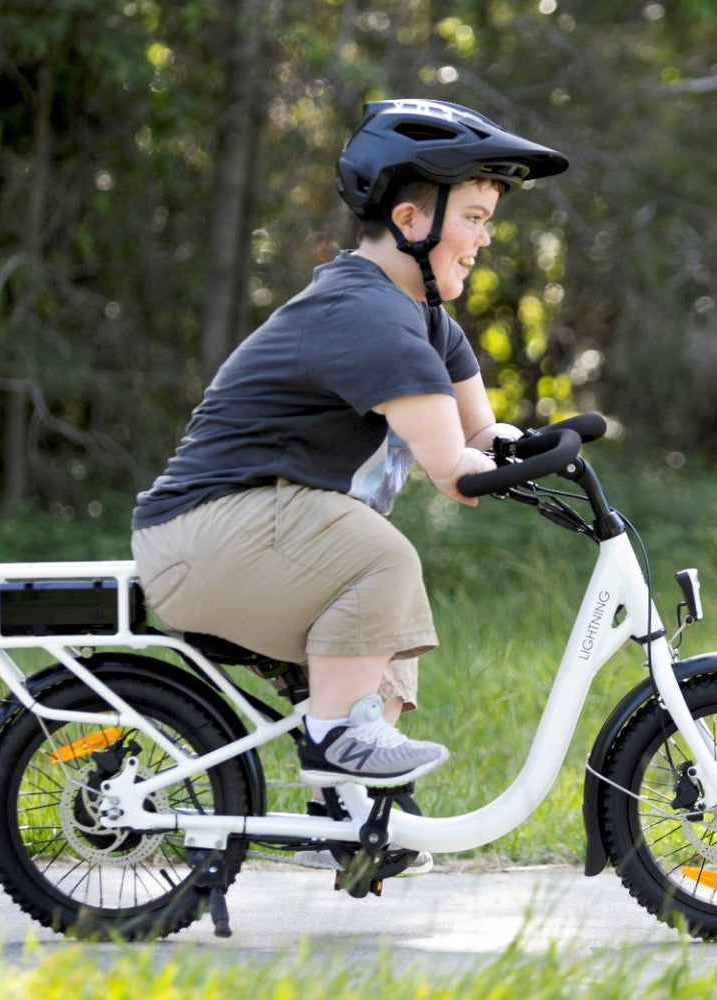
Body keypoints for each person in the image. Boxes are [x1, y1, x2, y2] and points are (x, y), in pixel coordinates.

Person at [131, 99, 568, 808]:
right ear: (409, 221)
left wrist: (549, 447)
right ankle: (337, 744)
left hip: (261, 535)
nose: (484, 239)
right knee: (383, 559)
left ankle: (349, 814)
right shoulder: (366, 315)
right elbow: (455, 469)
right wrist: (485, 465)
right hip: (204, 533)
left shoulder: (425, 321)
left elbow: (483, 437)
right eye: (475, 219)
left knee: (390, 622)